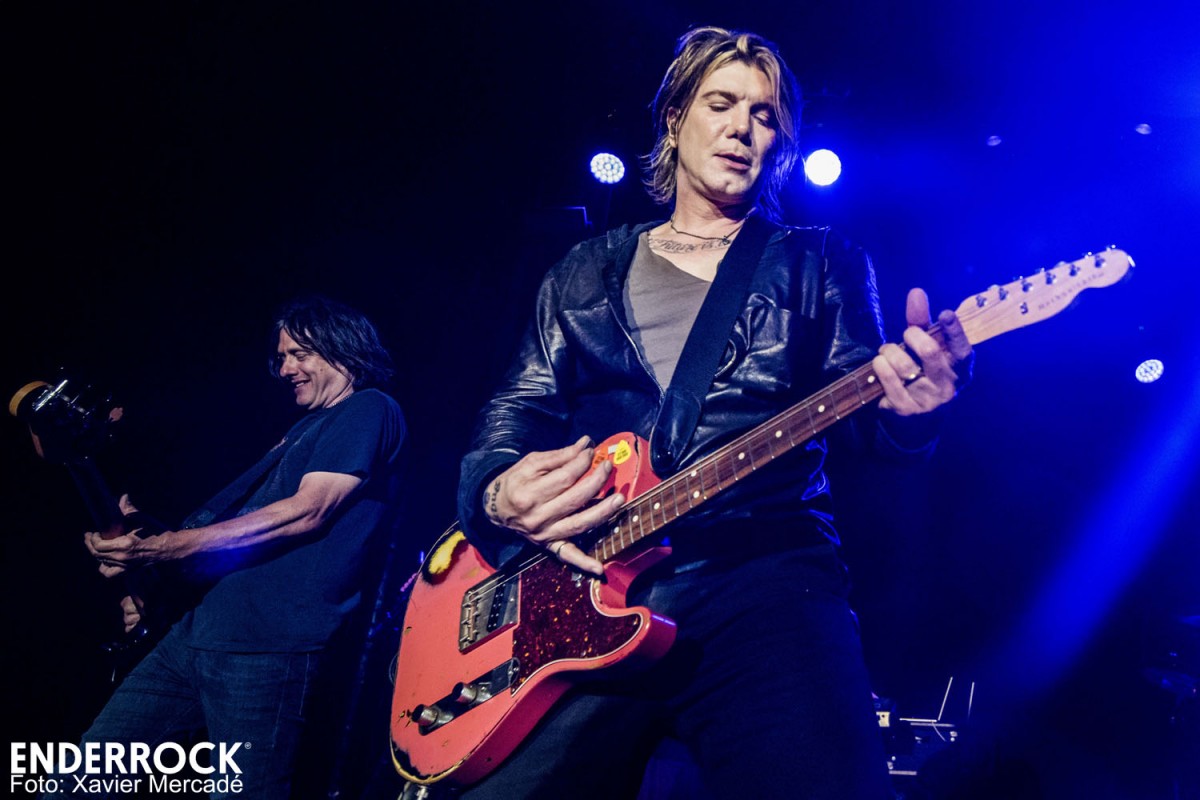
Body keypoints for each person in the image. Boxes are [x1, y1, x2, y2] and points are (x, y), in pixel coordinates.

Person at [452, 26, 973, 799]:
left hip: (765, 576)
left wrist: (916, 414)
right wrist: (495, 491)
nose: (741, 128)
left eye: (764, 115)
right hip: (589, 582)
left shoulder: (821, 261)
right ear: (674, 119)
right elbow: (517, 406)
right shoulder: (582, 269)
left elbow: (871, 425)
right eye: (721, 104)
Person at [64, 295, 406, 799]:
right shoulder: (305, 428)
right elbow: (237, 532)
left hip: (266, 649)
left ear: (344, 350)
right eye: (282, 357)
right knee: (79, 779)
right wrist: (149, 550)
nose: (285, 369)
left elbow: (308, 510)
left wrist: (163, 549)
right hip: (194, 634)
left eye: (299, 354)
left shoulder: (369, 408)